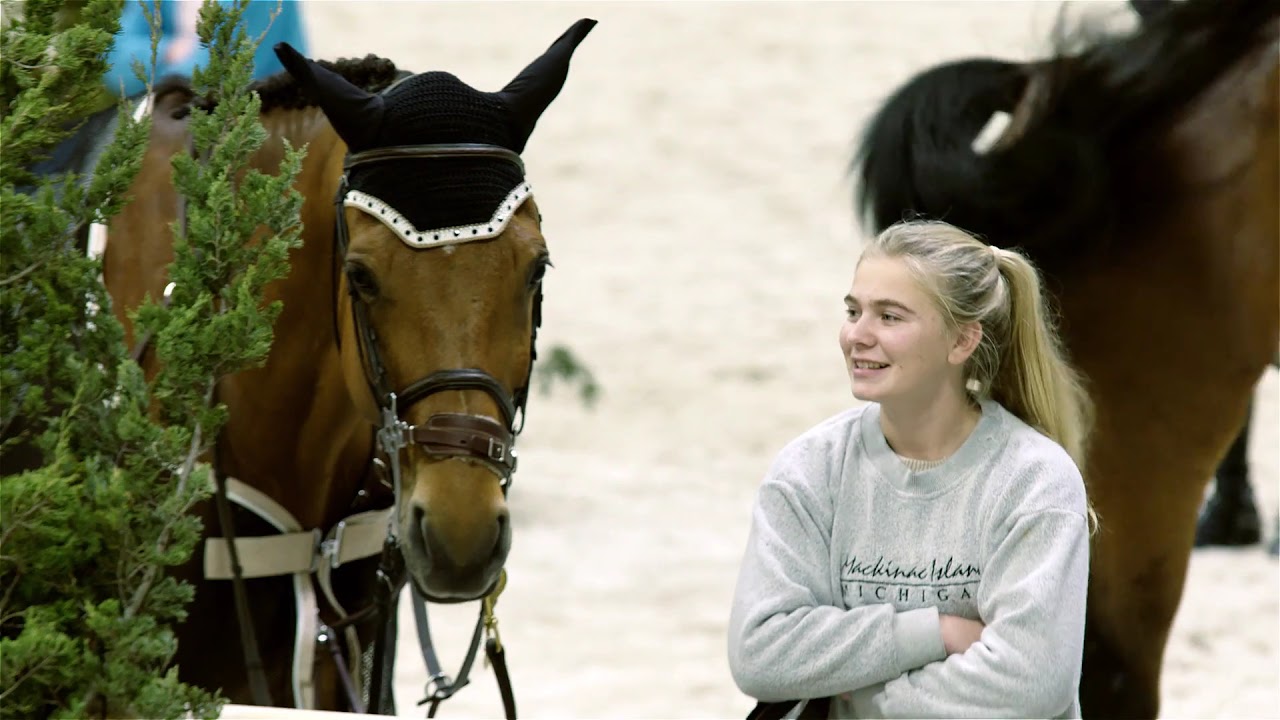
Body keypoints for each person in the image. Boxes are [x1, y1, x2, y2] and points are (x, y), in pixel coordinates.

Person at [728, 219, 1094, 719]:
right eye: (854, 311)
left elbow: (1032, 682)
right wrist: (936, 632)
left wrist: (860, 699)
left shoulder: (1033, 480)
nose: (857, 335)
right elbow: (760, 652)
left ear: (962, 341)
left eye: (890, 317)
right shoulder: (811, 469)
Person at [102, 0, 309, 99]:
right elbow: (113, 59)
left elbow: (213, 77)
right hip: (171, 118)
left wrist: (156, 62)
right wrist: (171, 50)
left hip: (258, 124)